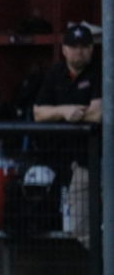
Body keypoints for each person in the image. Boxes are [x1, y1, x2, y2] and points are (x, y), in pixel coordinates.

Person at [33, 23, 101, 250]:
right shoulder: (56, 73)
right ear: (64, 49)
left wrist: (75, 115)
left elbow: (98, 113)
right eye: (74, 46)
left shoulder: (100, 69)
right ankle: (103, 273)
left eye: (84, 46)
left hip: (105, 159)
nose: (79, 51)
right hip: (79, 164)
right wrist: (64, 111)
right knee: (79, 225)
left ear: (92, 49)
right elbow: (38, 113)